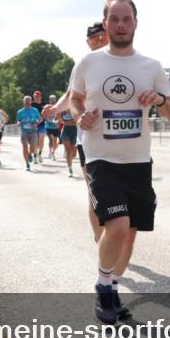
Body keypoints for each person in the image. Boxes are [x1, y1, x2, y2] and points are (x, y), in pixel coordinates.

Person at [68, 0, 170, 324]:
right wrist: (79, 117)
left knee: (130, 232)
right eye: (113, 19)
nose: (119, 25)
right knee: (116, 225)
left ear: (135, 23)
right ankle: (103, 288)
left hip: (138, 161)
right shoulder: (88, 63)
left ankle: (112, 288)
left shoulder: (151, 66)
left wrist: (158, 98)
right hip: (101, 157)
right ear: (105, 24)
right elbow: (75, 99)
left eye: (125, 19)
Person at [45, 22, 109, 244]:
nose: (101, 39)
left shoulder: (124, 61)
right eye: (96, 37)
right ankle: (101, 240)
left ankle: (115, 234)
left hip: (120, 140)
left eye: (104, 35)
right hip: (89, 139)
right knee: (95, 191)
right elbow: (70, 94)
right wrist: (55, 109)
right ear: (88, 42)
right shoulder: (83, 66)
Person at [16, 95, 43, 172]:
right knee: (24, 147)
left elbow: (40, 119)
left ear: (31, 102)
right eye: (26, 101)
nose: (28, 102)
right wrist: (19, 123)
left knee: (32, 147)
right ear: (23, 102)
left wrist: (36, 123)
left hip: (33, 131)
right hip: (24, 131)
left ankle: (29, 154)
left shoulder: (35, 110)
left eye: (29, 101)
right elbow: (17, 121)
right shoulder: (20, 111)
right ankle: (27, 164)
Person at [31, 90, 47, 164]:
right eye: (35, 96)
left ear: (41, 97)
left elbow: (46, 114)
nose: (36, 97)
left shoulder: (44, 105)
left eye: (38, 96)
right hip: (34, 125)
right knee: (35, 141)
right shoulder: (31, 104)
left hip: (42, 125)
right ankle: (34, 156)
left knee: (41, 140)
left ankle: (39, 154)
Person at [44, 94, 61, 160]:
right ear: (49, 100)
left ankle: (52, 153)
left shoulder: (58, 106)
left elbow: (60, 115)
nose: (53, 101)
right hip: (48, 126)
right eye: (51, 99)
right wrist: (45, 111)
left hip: (55, 127)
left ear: (55, 100)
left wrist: (58, 120)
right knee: (50, 139)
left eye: (54, 99)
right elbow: (43, 113)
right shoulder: (47, 106)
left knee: (55, 141)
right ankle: (50, 152)